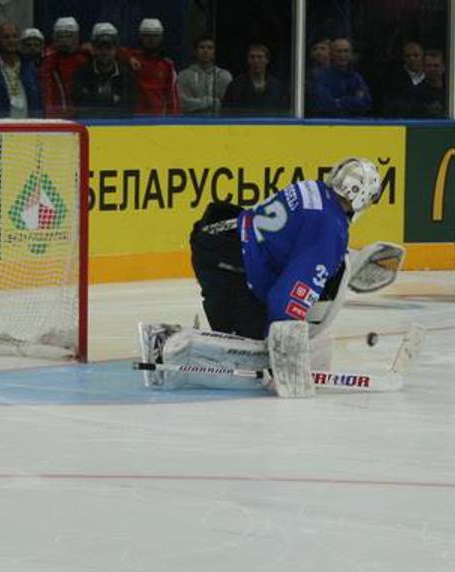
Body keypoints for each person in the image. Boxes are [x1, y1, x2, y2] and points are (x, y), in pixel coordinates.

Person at [138, 158, 391, 393]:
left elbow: (291, 242)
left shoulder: (313, 188)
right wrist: (282, 353)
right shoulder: (330, 227)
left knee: (265, 336)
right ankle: (166, 343)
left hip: (220, 235)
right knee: (250, 353)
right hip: (229, 262)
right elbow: (289, 296)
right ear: (363, 199)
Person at [71, 22, 136, 118]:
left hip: (120, 126)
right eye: (100, 47)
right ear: (93, 48)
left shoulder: (126, 74)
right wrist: (112, 98)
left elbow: (130, 104)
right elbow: (79, 101)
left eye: (108, 47)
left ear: (115, 49)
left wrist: (94, 97)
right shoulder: (82, 73)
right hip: (90, 124)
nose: (104, 52)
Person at [129, 18, 180, 116]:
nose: (151, 39)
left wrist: (173, 120)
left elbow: (173, 96)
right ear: (141, 37)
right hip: (134, 118)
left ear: (161, 37)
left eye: (155, 35)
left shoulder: (167, 64)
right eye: (147, 35)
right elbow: (114, 50)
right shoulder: (132, 58)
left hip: (158, 118)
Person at [310, 37, 373, 117]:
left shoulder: (356, 77)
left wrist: (339, 101)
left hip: (354, 125)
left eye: (346, 51)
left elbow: (366, 103)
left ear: (351, 54)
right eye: (338, 51)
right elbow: (324, 104)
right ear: (331, 54)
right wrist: (354, 99)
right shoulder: (322, 76)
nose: (342, 55)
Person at [41, 17, 89, 118]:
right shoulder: (48, 59)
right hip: (56, 114)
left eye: (69, 36)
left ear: (77, 37)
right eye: (61, 36)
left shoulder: (86, 57)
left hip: (83, 113)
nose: (65, 40)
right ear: (55, 38)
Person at [223, 42, 288, 117]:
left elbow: (283, 113)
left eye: (260, 57)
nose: (256, 61)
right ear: (248, 60)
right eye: (252, 57)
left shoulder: (277, 87)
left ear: (267, 60)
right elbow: (227, 112)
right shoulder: (235, 86)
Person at [177, 34, 233, 116]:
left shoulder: (224, 76)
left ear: (214, 52)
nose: (205, 50)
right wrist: (211, 102)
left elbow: (225, 105)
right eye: (202, 47)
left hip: (217, 124)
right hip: (190, 123)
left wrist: (196, 103)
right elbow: (182, 104)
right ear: (195, 51)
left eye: (209, 48)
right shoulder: (183, 76)